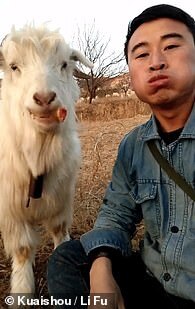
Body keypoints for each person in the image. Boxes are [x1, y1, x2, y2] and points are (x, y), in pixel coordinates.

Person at [47, 4, 195, 308]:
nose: (156, 62)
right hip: (153, 279)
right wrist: (102, 262)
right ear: (131, 72)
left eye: (171, 46)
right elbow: (116, 213)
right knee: (68, 257)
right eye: (141, 54)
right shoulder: (134, 145)